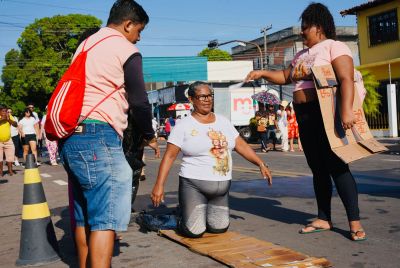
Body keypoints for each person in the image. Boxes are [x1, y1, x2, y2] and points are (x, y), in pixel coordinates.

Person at [245, 3, 366, 241]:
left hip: (327, 112)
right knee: (318, 168)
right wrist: (262, 73)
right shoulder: (302, 55)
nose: (302, 32)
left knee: (338, 167)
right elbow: (285, 77)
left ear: (319, 26)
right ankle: (323, 218)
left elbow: (345, 78)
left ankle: (355, 222)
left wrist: (346, 112)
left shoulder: (334, 46)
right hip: (305, 114)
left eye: (305, 27)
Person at [58, 1, 159, 267]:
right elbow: (139, 101)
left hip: (71, 139)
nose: (138, 37)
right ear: (127, 24)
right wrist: (149, 133)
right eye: (139, 30)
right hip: (99, 137)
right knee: (104, 221)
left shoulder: (86, 45)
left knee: (82, 216)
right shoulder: (126, 49)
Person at [151, 81, 272, 238]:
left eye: (210, 96)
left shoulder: (223, 122)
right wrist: (159, 186)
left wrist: (260, 163)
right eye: (202, 96)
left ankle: (200, 211)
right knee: (194, 231)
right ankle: (180, 216)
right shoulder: (183, 125)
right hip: (194, 186)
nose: (207, 100)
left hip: (221, 191)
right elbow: (170, 156)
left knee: (218, 229)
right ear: (191, 99)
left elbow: (240, 145)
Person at [0, 105, 17, 177]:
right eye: (3, 111)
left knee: (10, 156)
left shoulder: (9, 117)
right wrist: (3, 119)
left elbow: (15, 124)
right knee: (0, 158)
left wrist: (8, 119)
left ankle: (10, 170)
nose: (4, 113)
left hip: (8, 140)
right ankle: (1, 172)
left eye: (6, 111)